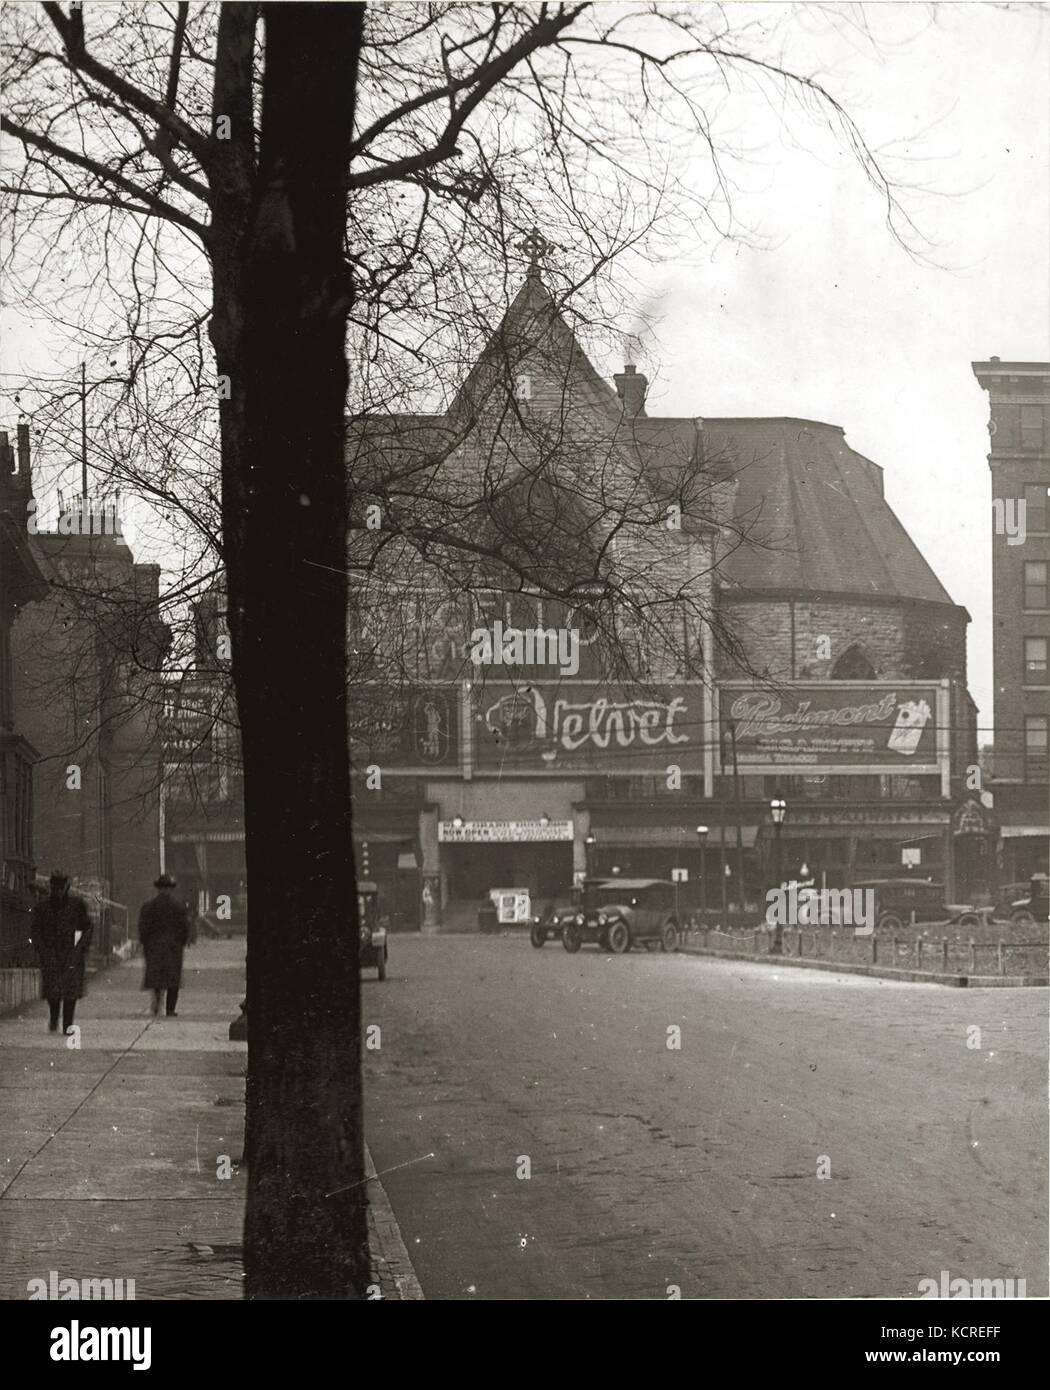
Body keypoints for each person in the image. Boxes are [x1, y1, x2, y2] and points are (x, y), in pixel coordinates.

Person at [30, 870, 93, 1034]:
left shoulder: (76, 905)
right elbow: (35, 931)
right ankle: (54, 1017)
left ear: (66, 887)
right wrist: (42, 949)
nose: (57, 891)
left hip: (70, 952)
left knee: (70, 991)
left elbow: (87, 927)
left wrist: (81, 948)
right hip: (50, 952)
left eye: (61, 887)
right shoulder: (42, 908)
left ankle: (67, 1024)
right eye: (55, 887)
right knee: (53, 990)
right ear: (51, 887)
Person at [138, 873, 190, 1017]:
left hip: (154, 946)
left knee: (156, 977)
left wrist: (145, 942)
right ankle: (170, 1009)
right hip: (173, 946)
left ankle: (157, 1002)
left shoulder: (148, 906)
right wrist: (181, 942)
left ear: (158, 889)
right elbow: (185, 927)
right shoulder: (178, 906)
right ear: (171, 889)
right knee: (173, 978)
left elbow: (143, 927)